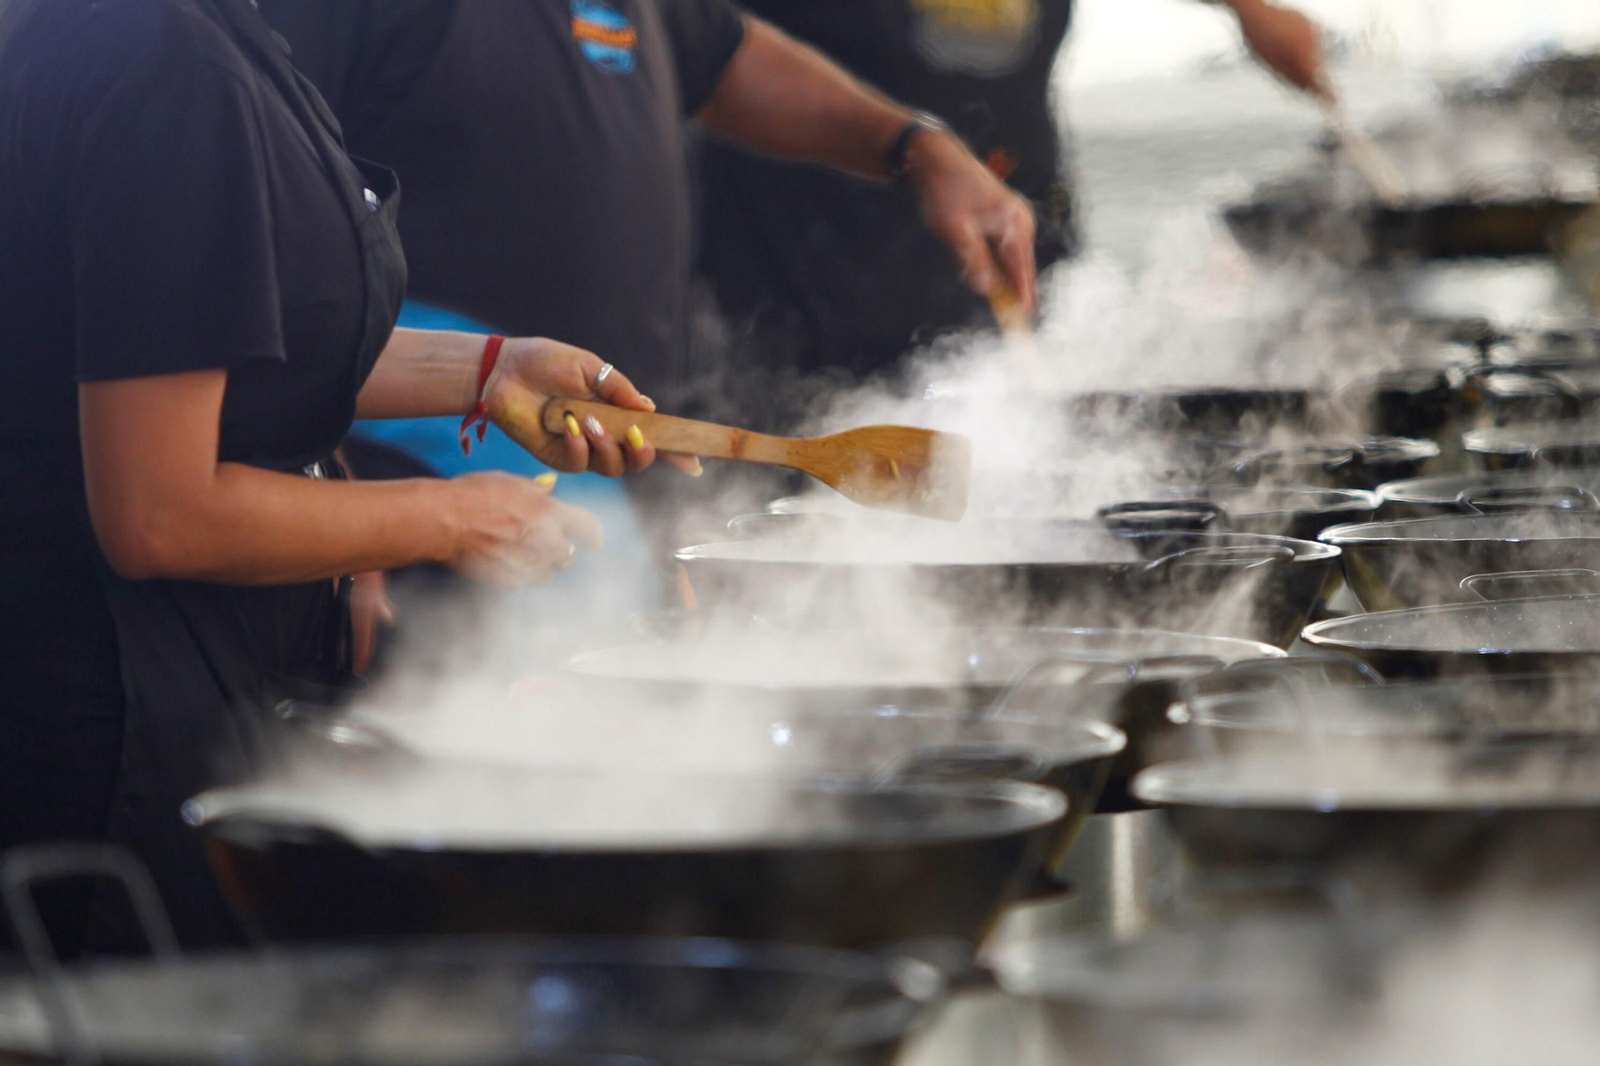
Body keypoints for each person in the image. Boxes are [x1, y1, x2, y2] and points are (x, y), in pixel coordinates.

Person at [0, 0, 673, 949]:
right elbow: (160, 512)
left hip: (162, 691)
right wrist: (447, 520)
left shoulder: (204, 40)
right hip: (113, 732)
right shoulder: (165, 67)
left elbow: (246, 348)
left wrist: (487, 371)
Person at [254, 0, 1040, 572]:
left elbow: (729, 56)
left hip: (609, 477)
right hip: (415, 496)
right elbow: (272, 275)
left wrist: (914, 147)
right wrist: (347, 544)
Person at [694, 0, 1331, 395]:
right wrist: (915, 148)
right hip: (810, 270)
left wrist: (1248, 6)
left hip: (1017, 226)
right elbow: (708, 48)